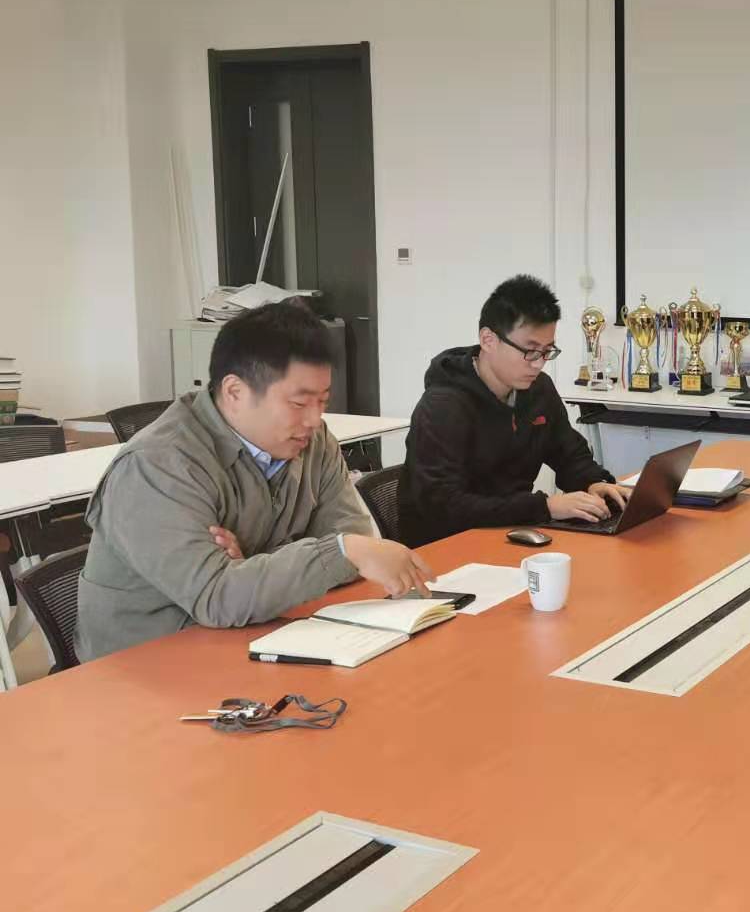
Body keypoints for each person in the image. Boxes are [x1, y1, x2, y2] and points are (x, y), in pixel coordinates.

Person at [75, 301, 435, 662]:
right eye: (299, 403)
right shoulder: (157, 466)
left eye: (323, 401)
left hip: (252, 635)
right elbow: (218, 599)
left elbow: (350, 548)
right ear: (235, 392)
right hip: (143, 665)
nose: (315, 420)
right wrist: (335, 554)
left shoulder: (312, 440)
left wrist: (252, 567)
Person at [398, 274, 630, 546]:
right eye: (530, 351)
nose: (538, 364)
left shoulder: (538, 389)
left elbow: (568, 453)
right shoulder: (442, 407)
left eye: (547, 351)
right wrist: (545, 507)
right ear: (488, 340)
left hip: (511, 533)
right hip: (446, 547)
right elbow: (444, 506)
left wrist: (593, 483)